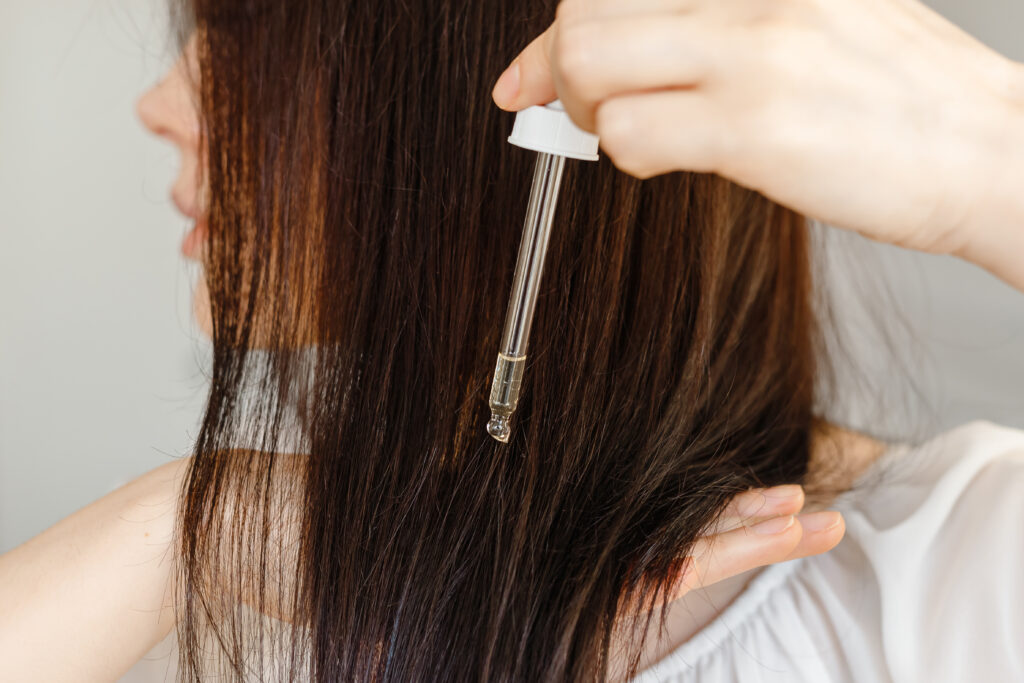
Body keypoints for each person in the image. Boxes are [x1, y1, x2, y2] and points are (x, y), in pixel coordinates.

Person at [0, 0, 1022, 680]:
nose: (160, 103)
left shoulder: (953, 578)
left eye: (247, 25)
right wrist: (188, 527)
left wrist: (992, 146)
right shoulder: (291, 591)